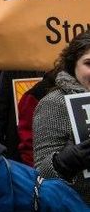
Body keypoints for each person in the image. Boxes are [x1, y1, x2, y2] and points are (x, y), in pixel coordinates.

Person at [33, 30, 90, 203]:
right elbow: (41, 174)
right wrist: (64, 162)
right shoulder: (54, 103)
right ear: (73, 64)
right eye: (88, 63)